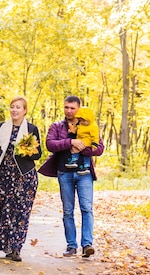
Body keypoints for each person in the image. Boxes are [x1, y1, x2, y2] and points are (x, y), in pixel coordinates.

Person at [38, 96, 104, 258]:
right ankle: (71, 246)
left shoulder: (89, 124)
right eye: (66, 107)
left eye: (72, 108)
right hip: (64, 173)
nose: (69, 111)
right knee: (68, 210)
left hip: (85, 174)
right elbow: (50, 144)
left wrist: (83, 149)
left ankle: (87, 244)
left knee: (86, 208)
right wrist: (70, 142)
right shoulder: (57, 126)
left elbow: (100, 148)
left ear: (79, 109)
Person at [0, 96, 42, 262]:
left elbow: (38, 154)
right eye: (12, 107)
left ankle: (16, 247)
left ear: (24, 111)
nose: (14, 110)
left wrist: (28, 150)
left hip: (24, 177)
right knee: (4, 210)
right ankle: (6, 245)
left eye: (18, 107)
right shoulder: (1, 127)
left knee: (20, 212)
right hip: (4, 175)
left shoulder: (31, 129)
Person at [65, 106, 100, 175]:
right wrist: (72, 130)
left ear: (89, 119)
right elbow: (78, 130)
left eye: (84, 120)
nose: (82, 122)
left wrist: (94, 144)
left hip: (87, 141)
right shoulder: (81, 124)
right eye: (80, 120)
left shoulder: (93, 126)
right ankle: (78, 163)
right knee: (79, 151)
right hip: (80, 139)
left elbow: (95, 136)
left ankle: (82, 165)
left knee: (82, 153)